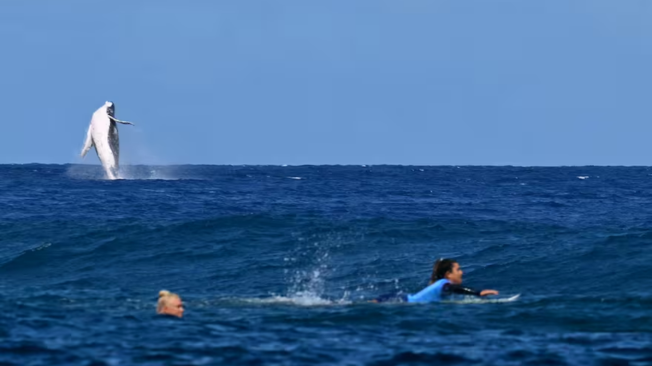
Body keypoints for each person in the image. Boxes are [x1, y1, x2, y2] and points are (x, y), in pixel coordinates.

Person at [371, 258, 499, 303]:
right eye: (458, 269)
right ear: (448, 274)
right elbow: (454, 289)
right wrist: (477, 293)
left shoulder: (440, 284)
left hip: (398, 298)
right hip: (399, 301)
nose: (462, 272)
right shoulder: (444, 284)